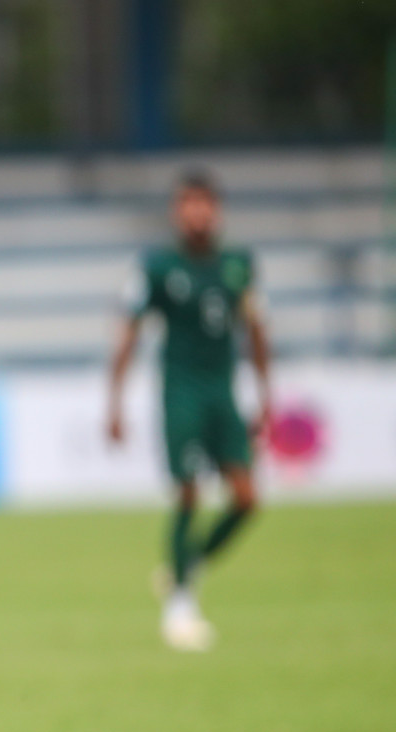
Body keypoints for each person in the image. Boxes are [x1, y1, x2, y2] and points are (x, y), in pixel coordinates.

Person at [109, 169, 270, 651]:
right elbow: (128, 334)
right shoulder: (157, 268)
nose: (196, 213)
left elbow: (257, 331)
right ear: (177, 212)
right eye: (187, 204)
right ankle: (179, 606)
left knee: (246, 499)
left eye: (204, 203)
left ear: (216, 210)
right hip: (180, 392)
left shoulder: (239, 264)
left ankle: (189, 562)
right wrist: (114, 402)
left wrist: (265, 393)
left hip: (223, 392)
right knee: (188, 495)